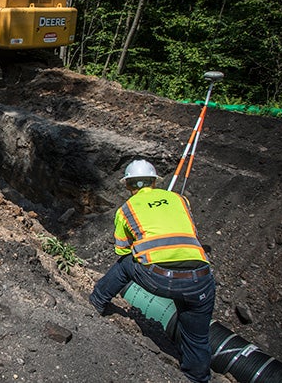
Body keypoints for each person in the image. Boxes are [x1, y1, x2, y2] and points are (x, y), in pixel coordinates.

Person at [89, 159, 215, 383]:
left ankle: (96, 302)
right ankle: (197, 378)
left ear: (129, 186)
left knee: (126, 264)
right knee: (197, 337)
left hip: (159, 278)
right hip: (200, 280)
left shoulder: (127, 209)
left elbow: (121, 250)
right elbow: (190, 231)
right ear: (155, 182)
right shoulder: (179, 199)